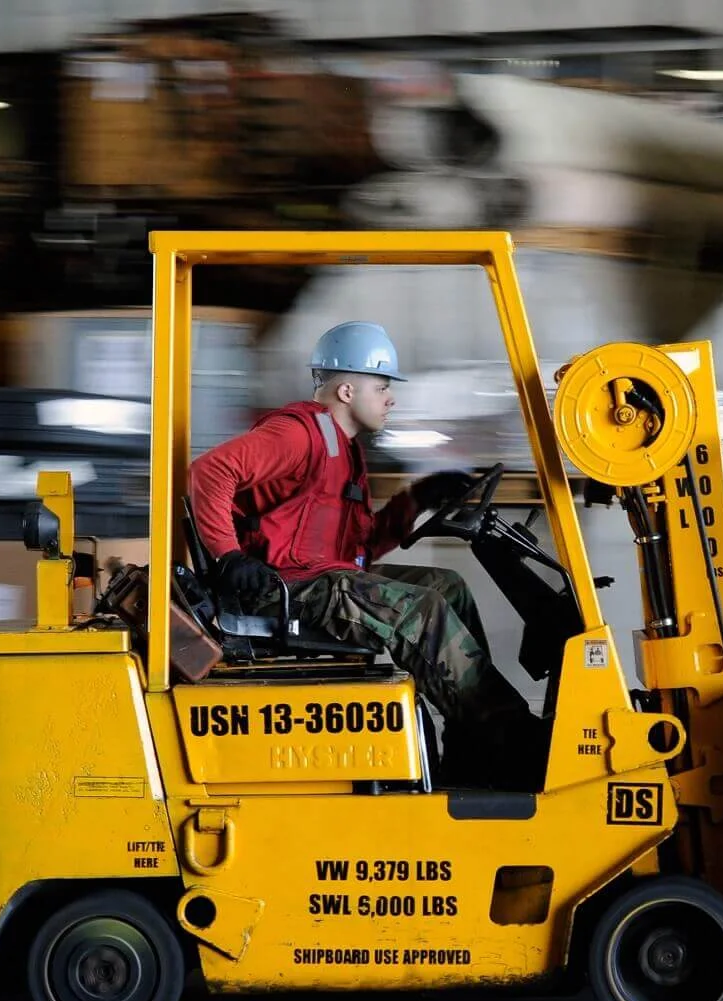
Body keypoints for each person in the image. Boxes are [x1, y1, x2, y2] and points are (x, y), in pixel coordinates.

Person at [187, 320, 537, 787]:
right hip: (283, 588)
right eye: (382, 386)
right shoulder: (298, 436)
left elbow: (358, 549)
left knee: (445, 586)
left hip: (320, 578)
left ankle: (473, 737)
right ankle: (513, 741)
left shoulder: (344, 450)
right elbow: (210, 471)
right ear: (348, 390)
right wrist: (229, 555)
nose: (390, 398)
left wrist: (418, 499)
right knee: (422, 611)